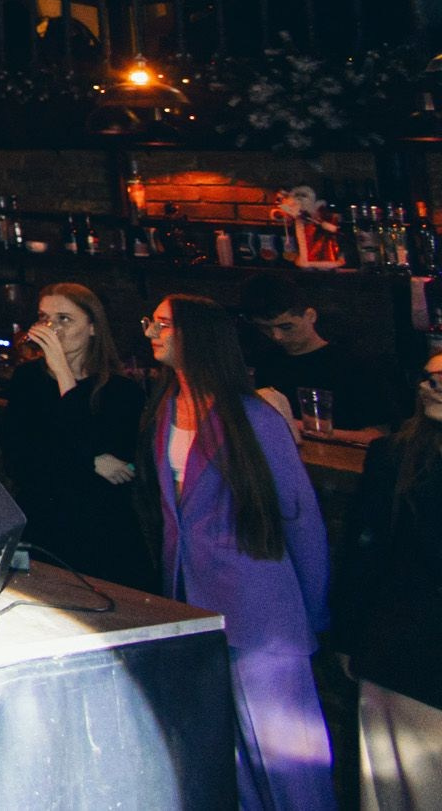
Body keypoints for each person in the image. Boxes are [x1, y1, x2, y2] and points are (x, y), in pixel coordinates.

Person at [145, 294, 336, 811]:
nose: (151, 332)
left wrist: (314, 616)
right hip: (195, 608)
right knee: (232, 760)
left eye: (162, 324)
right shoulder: (166, 409)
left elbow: (302, 521)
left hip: (261, 614)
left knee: (290, 766)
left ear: (195, 337)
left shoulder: (253, 415)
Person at [332, 349, 442, 811]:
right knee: (402, 788)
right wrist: (349, 635)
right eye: (427, 377)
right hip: (405, 645)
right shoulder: (396, 454)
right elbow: (364, 553)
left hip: (406, 643)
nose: (428, 387)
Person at [1, 281, 156, 589]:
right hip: (45, 525)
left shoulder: (121, 391)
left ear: (93, 328)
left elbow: (118, 468)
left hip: (102, 532)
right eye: (45, 317)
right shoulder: (27, 380)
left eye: (65, 319)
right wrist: (90, 461)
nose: (52, 327)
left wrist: (63, 374)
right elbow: (20, 461)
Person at [239, 275, 392, 432]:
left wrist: (300, 426)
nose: (277, 336)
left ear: (310, 316)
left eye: (286, 327)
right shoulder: (264, 362)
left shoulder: (355, 364)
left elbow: (378, 436)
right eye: (265, 328)